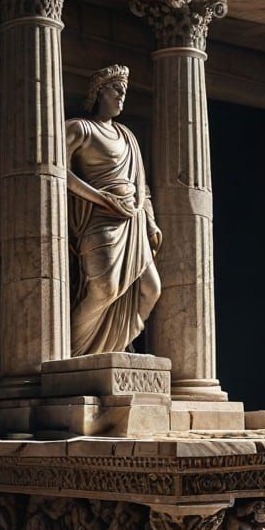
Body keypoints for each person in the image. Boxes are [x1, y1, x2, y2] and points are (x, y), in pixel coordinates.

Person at [65, 65, 162, 354]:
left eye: (124, 92)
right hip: (100, 222)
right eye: (116, 89)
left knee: (151, 290)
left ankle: (114, 349)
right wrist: (99, 198)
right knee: (104, 290)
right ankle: (70, 353)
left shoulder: (128, 136)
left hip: (132, 223)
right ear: (99, 92)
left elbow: (141, 187)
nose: (122, 96)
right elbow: (58, 169)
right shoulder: (80, 128)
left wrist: (151, 223)